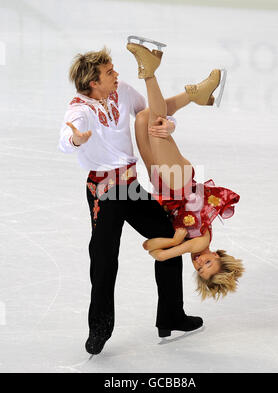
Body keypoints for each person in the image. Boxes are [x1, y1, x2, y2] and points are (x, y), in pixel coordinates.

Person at [59, 47, 218, 354]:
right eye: (109, 72)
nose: (116, 74)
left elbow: (154, 114)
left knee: (172, 239)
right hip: (104, 192)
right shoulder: (80, 109)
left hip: (130, 188)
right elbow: (67, 138)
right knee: (104, 258)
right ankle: (100, 327)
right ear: (93, 81)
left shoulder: (124, 92)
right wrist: (76, 139)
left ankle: (171, 314)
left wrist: (168, 125)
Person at [127, 41, 244, 302]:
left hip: (162, 186)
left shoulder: (191, 245)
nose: (200, 262)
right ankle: (149, 68)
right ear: (217, 255)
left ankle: (194, 96)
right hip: (179, 185)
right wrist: (174, 242)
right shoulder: (200, 244)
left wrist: (174, 239)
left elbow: (148, 246)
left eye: (200, 270)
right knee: (158, 125)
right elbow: (159, 253)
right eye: (208, 264)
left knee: (144, 120)